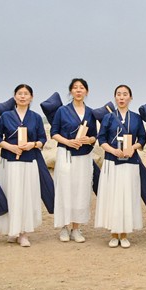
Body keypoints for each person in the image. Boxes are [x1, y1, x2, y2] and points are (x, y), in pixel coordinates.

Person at [0, 84, 47, 247]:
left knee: (26, 196)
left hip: (29, 161)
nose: (23, 96)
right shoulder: (6, 116)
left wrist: (33, 144)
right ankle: (12, 230)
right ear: (14, 97)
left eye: (26, 94)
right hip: (9, 161)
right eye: (19, 93)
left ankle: (24, 233)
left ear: (31, 97)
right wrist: (10, 147)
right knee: (11, 194)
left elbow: (42, 139)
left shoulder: (36, 117)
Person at [95, 84, 146, 248]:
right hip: (112, 161)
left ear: (130, 97)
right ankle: (113, 233)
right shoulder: (108, 117)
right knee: (113, 196)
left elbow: (142, 139)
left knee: (127, 196)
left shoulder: (136, 118)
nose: (122, 97)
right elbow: (101, 139)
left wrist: (133, 148)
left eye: (125, 94)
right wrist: (113, 150)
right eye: (118, 94)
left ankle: (124, 234)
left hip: (130, 163)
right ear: (115, 97)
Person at [51, 78, 98, 243]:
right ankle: (64, 227)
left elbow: (95, 135)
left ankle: (76, 228)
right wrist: (68, 142)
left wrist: (89, 140)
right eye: (75, 88)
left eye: (82, 88)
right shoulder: (62, 111)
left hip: (84, 156)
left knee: (81, 190)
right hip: (65, 153)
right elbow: (54, 133)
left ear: (87, 91)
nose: (78, 90)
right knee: (65, 189)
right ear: (71, 91)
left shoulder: (91, 112)